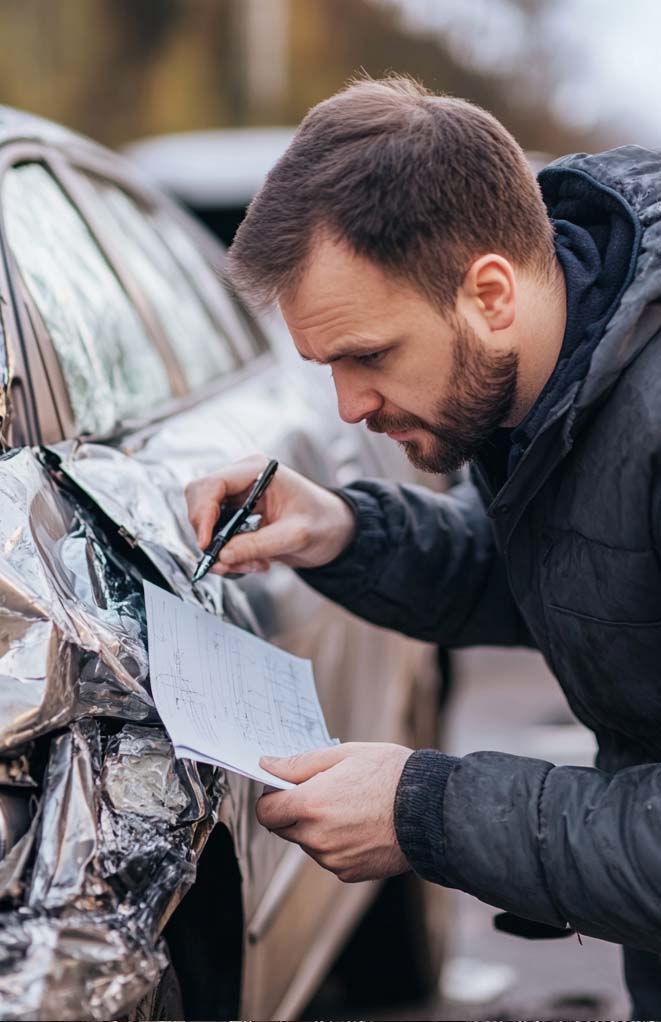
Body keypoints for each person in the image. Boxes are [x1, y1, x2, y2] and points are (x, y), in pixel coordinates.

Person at [185, 76, 661, 1016]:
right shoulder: (556, 371)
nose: (348, 409)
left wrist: (425, 811)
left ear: (487, 292)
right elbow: (591, 577)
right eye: (328, 367)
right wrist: (348, 533)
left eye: (368, 355)